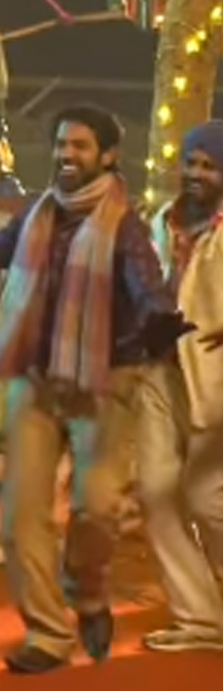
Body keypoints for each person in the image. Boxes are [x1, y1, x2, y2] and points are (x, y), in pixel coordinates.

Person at [0, 104, 189, 673]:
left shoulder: (125, 226)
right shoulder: (38, 214)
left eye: (80, 146)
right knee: (20, 516)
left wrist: (159, 322)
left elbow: (148, 288)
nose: (66, 155)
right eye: (62, 144)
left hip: (105, 379)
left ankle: (85, 591)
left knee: (97, 508)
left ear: (107, 156)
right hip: (34, 377)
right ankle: (46, 632)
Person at [138, 120, 223, 652]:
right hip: (159, 372)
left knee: (206, 497)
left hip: (214, 377)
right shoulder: (161, 222)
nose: (196, 173)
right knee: (155, 490)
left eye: (209, 166)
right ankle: (201, 619)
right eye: (191, 162)